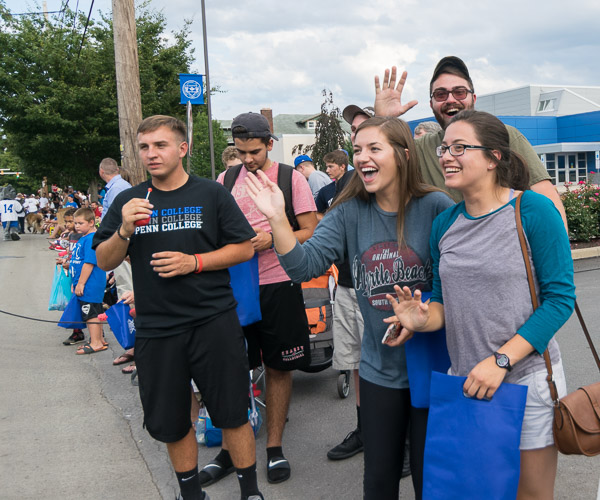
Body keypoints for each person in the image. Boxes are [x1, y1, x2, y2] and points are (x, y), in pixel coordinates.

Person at [246, 116, 454, 499]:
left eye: (374, 148)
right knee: (378, 481)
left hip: (434, 370)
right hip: (379, 372)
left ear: (404, 156)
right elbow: (303, 266)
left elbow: (453, 287)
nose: (362, 157)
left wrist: (425, 314)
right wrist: (277, 219)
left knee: (433, 483)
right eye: (357, 149)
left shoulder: (436, 206)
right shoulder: (349, 212)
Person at [387, 110, 575, 499]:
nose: (445, 157)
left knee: (530, 495)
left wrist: (501, 361)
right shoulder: (446, 223)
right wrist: (422, 318)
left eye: (460, 147)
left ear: (494, 157)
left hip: (526, 381)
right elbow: (442, 302)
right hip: (468, 382)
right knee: (477, 491)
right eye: (443, 148)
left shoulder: (533, 211)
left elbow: (560, 300)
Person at [93, 115, 263, 500]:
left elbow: (244, 246)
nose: (151, 154)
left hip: (213, 321)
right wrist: (124, 229)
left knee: (233, 413)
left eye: (161, 145)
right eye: (144, 147)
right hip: (157, 328)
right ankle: (191, 495)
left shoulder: (211, 194)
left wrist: (195, 262)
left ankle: (250, 492)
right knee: (172, 421)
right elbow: (104, 259)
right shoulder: (128, 201)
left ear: (182, 148)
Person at [203, 112, 317, 487]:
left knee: (278, 368)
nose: (247, 159)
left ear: (269, 143)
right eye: (240, 152)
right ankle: (230, 451)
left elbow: (311, 230)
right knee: (234, 369)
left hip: (279, 281)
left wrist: (272, 238)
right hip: (237, 286)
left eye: (253, 151)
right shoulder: (227, 178)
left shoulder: (291, 177)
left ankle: (274, 447)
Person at [373, 56, 568, 226]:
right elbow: (375, 165)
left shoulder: (505, 136)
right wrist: (383, 121)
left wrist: (558, 255)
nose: (450, 99)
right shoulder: (420, 149)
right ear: (431, 104)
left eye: (459, 92)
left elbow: (546, 197)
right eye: (441, 94)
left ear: (473, 98)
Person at [68, 208, 107, 354]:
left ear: (91, 222)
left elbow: (89, 263)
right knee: (95, 311)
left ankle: (96, 342)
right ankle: (99, 340)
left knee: (90, 313)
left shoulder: (91, 239)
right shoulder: (83, 238)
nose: (77, 226)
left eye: (80, 223)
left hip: (90, 283)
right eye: (75, 223)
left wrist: (81, 283)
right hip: (86, 282)